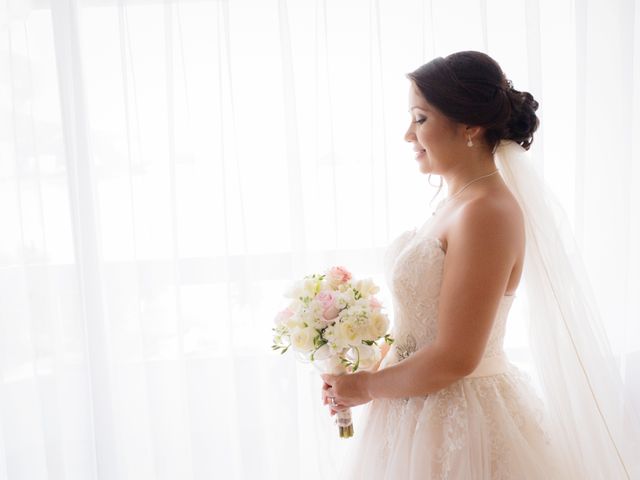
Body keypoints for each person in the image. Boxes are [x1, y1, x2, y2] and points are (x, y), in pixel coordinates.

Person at [320, 51, 640, 479]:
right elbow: (421, 323)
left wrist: (365, 388)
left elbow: (456, 357)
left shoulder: (487, 211)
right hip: (410, 412)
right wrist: (365, 371)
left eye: (420, 119)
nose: (406, 135)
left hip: (458, 421)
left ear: (469, 126)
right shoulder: (455, 202)